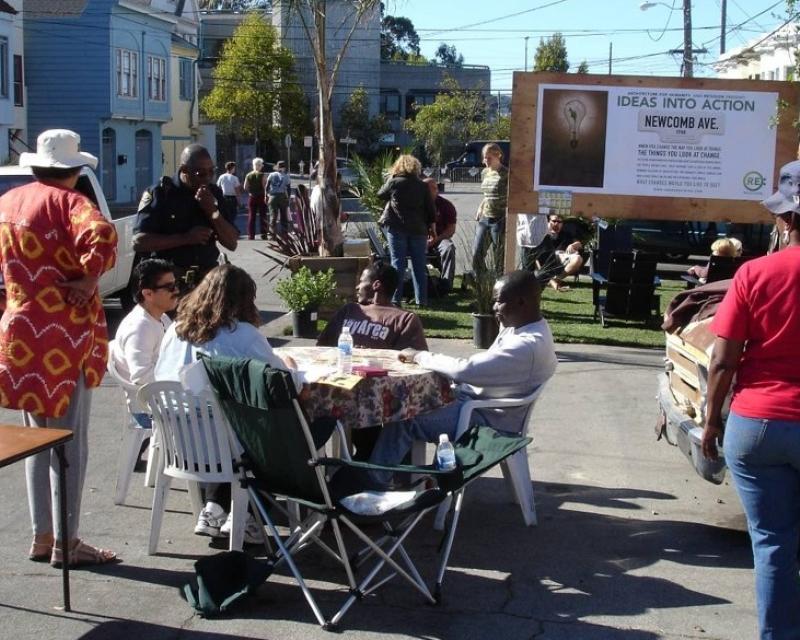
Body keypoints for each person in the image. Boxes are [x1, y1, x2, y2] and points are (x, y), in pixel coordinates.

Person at [0, 129, 119, 567]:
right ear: (74, 170)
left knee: (35, 438)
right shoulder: (72, 203)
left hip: (20, 333)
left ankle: (41, 535)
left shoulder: (7, 204)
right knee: (70, 441)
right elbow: (103, 238)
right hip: (63, 335)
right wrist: (89, 279)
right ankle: (67, 543)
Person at [701, 160, 800, 640]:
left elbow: (722, 362)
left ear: (785, 220)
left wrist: (711, 423)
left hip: (756, 424)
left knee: (773, 544)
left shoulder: (753, 274)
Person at [154, 264, 296, 544]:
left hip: (179, 444)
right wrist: (290, 365)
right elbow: (281, 381)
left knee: (221, 423)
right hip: (226, 446)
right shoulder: (243, 334)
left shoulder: (175, 331)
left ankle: (216, 506)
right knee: (282, 432)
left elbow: (161, 375)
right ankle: (248, 516)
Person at [370, 270, 557, 474]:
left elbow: (463, 370)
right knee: (408, 399)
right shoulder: (529, 326)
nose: (494, 307)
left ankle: (372, 485)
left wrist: (419, 355)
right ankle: (403, 478)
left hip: (486, 420)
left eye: (499, 302)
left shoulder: (526, 346)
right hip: (481, 406)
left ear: (522, 303)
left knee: (404, 416)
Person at [133, 144, 239, 291]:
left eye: (211, 172)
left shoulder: (213, 193)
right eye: (200, 174)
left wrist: (212, 211)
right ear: (184, 170)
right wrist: (185, 238)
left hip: (205, 283)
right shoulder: (161, 193)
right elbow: (139, 242)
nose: (207, 178)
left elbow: (232, 243)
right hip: (169, 285)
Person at [110, 258, 178, 425]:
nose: (176, 290)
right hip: (148, 411)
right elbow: (141, 377)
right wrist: (180, 383)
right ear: (147, 294)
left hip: (165, 401)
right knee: (214, 419)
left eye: (176, 284)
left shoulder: (160, 317)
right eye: (169, 287)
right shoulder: (139, 328)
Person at [317, 263, 428, 351]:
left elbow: (414, 359)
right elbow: (322, 348)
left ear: (376, 285)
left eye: (361, 282)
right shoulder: (349, 310)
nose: (357, 287)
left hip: (381, 377)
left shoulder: (405, 319)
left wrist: (371, 355)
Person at [377, 154, 436, 307]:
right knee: (419, 265)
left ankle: (396, 299)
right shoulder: (422, 186)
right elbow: (431, 210)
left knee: (398, 264)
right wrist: (431, 227)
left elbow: (380, 194)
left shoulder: (395, 182)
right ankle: (421, 300)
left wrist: (392, 177)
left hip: (397, 228)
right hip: (418, 229)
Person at [472, 143, 509, 275]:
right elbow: (486, 195)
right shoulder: (484, 173)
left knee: (498, 255)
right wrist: (480, 207)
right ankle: (482, 279)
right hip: (485, 217)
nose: (485, 161)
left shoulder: (506, 174)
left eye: (488, 158)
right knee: (476, 252)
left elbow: (512, 195)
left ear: (498, 155)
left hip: (499, 218)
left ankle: (499, 284)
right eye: (484, 157)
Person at [424, 178, 457, 294]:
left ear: (436, 190)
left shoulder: (446, 206)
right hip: (420, 239)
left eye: (431, 189)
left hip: (440, 238)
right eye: (425, 189)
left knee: (448, 248)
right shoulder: (416, 205)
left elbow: (451, 230)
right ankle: (423, 283)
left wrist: (436, 239)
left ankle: (446, 284)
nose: (428, 192)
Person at [544, 213, 585, 292]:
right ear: (548, 222)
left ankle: (557, 279)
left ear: (562, 224)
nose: (556, 223)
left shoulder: (566, 234)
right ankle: (551, 280)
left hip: (563, 258)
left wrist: (573, 245)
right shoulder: (543, 233)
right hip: (548, 259)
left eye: (559, 222)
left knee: (578, 258)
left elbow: (579, 244)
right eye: (554, 221)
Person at [243, 157, 268, 240]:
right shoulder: (262, 175)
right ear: (260, 166)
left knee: (251, 216)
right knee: (263, 216)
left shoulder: (248, 175)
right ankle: (263, 234)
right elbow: (265, 187)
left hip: (252, 197)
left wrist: (251, 191)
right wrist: (266, 195)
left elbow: (245, 187)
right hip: (261, 197)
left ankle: (251, 235)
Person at [266, 160, 291, 237]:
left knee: (273, 216)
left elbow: (267, 186)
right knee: (284, 216)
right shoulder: (286, 176)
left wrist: (266, 195)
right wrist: (288, 198)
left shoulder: (271, 175)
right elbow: (288, 188)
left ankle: (272, 234)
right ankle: (284, 233)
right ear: (284, 168)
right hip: (282, 196)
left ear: (277, 167)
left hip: (273, 196)